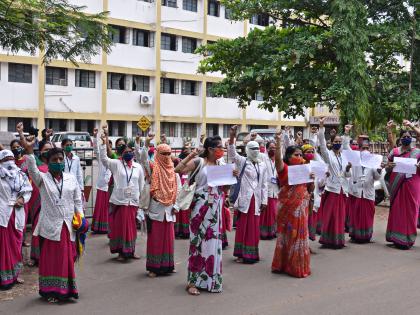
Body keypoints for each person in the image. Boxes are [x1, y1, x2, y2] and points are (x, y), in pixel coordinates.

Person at [19, 123, 85, 303]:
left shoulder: (71, 179)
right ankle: (51, 290)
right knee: (51, 260)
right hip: (50, 226)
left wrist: (80, 218)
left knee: (67, 258)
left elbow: (77, 200)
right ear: (47, 162)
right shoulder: (43, 179)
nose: (58, 163)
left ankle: (67, 290)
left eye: (60, 160)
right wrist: (30, 152)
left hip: (68, 225)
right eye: (54, 160)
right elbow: (32, 169)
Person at [175, 136, 226, 295]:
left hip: (216, 207)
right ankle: (192, 282)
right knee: (197, 244)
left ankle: (211, 281)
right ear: (210, 149)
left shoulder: (221, 164)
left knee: (213, 244)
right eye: (219, 147)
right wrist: (191, 155)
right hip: (200, 207)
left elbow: (225, 189)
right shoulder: (200, 162)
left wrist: (232, 176)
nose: (222, 150)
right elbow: (178, 170)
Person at [99, 125, 144, 260]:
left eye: (130, 151)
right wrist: (102, 143)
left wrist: (140, 202)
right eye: (125, 152)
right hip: (120, 201)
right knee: (121, 227)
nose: (128, 153)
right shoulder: (116, 164)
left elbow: (140, 185)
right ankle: (121, 252)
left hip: (133, 201)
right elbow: (104, 159)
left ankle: (132, 250)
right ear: (121, 153)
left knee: (132, 228)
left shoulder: (138, 167)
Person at [271, 133, 313, 278]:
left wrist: (312, 179)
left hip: (301, 207)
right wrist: (278, 144)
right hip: (287, 207)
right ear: (288, 157)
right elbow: (277, 161)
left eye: (301, 155)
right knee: (286, 236)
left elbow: (310, 189)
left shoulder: (305, 169)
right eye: (296, 154)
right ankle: (282, 264)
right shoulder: (285, 169)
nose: (300, 157)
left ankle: (296, 266)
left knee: (298, 236)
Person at [140, 140, 181, 277]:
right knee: (155, 240)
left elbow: (179, 191)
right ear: (157, 154)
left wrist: (176, 206)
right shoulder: (153, 169)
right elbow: (143, 158)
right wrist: (146, 144)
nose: (167, 156)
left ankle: (168, 266)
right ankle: (154, 267)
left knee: (169, 240)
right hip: (156, 211)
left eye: (169, 154)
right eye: (163, 153)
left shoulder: (174, 173)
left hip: (169, 211)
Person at [229, 125, 268, 264]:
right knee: (243, 226)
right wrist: (232, 136)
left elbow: (264, 184)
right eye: (253, 149)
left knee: (253, 227)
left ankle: (252, 253)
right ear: (247, 150)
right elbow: (232, 153)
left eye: (257, 148)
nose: (256, 151)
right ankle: (241, 254)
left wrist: (264, 201)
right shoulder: (242, 161)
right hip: (245, 199)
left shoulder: (262, 165)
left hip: (256, 201)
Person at [0, 149, 32, 290]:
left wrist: (22, 198)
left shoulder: (21, 175)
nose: (9, 162)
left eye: (11, 158)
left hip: (17, 213)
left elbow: (28, 190)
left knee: (16, 245)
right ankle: (3, 278)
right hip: (2, 214)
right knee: (3, 247)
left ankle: (15, 274)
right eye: (5, 159)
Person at [343, 127, 382, 243]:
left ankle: (366, 236)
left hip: (368, 193)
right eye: (363, 148)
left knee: (368, 216)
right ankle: (355, 235)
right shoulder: (355, 159)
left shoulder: (373, 160)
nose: (365, 150)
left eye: (367, 148)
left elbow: (376, 177)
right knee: (355, 215)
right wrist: (346, 132)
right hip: (356, 192)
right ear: (359, 149)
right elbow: (347, 173)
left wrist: (379, 170)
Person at [317, 118, 352, 249]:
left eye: (339, 142)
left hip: (342, 189)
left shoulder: (344, 157)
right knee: (330, 215)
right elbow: (321, 143)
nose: (338, 143)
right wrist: (321, 127)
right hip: (332, 189)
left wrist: (348, 169)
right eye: (335, 141)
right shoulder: (328, 155)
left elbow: (347, 175)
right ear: (331, 143)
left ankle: (338, 240)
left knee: (340, 216)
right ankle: (327, 240)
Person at [385, 123, 420, 249]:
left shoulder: (417, 153)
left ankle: (408, 240)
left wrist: (411, 126)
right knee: (397, 211)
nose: (406, 138)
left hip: (412, 186)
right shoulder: (395, 152)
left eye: (408, 136)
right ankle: (396, 238)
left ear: (412, 139)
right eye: (404, 136)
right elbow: (386, 165)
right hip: (397, 186)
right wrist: (388, 166)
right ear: (400, 139)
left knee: (411, 212)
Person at [27, 141, 52, 266]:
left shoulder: (57, 165)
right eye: (45, 149)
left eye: (50, 149)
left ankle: (49, 255)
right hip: (39, 199)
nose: (48, 152)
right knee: (37, 227)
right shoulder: (36, 164)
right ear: (40, 152)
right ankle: (36, 256)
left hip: (52, 203)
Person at [91, 129, 112, 234]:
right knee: (101, 208)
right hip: (101, 187)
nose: (108, 149)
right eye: (106, 147)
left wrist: (106, 137)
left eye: (110, 147)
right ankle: (99, 227)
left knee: (109, 209)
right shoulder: (101, 159)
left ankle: (108, 227)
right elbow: (96, 149)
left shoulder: (114, 161)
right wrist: (95, 137)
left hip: (110, 188)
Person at [259, 140, 280, 240]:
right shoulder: (263, 157)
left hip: (275, 189)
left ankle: (272, 232)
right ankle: (263, 233)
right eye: (271, 148)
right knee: (266, 213)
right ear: (266, 149)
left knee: (274, 213)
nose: (273, 149)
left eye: (274, 148)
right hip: (266, 189)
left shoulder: (278, 159)